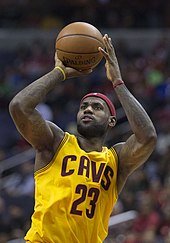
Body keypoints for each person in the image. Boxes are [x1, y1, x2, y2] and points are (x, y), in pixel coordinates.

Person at [9, 34, 157, 243]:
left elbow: (147, 137)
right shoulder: (55, 142)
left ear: (111, 121)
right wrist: (59, 72)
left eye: (97, 107)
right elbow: (19, 107)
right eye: (83, 107)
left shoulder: (116, 160)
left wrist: (117, 82)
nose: (88, 109)